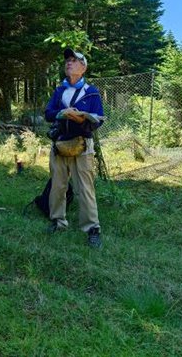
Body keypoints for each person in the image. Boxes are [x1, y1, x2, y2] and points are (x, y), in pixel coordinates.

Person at [45, 48, 105, 248]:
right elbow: (48, 113)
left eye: (74, 60)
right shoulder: (59, 90)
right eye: (67, 61)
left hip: (83, 145)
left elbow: (99, 119)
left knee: (85, 188)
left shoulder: (92, 92)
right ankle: (58, 221)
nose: (68, 63)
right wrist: (63, 113)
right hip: (60, 143)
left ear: (83, 67)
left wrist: (82, 116)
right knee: (58, 185)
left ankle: (91, 228)